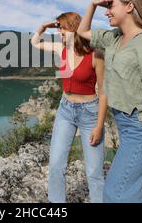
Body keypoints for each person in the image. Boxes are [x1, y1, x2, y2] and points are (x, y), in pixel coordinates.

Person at [77, 0, 142, 203]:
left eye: (111, 6)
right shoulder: (114, 39)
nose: (107, 11)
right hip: (128, 125)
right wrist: (93, 4)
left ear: (130, 6)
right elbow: (83, 32)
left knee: (115, 194)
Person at [31, 12, 108, 203]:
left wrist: (99, 125)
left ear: (74, 29)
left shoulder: (95, 55)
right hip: (65, 110)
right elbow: (35, 42)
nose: (59, 34)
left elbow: (104, 91)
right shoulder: (61, 48)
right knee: (56, 164)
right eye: (59, 30)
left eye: (62, 29)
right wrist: (43, 27)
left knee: (94, 171)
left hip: (89, 113)